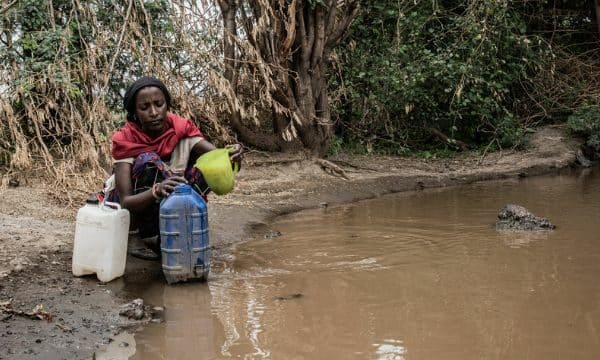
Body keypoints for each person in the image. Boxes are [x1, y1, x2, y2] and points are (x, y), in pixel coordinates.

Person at [105, 76, 242, 258]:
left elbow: (217, 161)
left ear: (167, 105)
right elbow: (126, 201)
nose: (154, 112)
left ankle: (177, 232)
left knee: (203, 170)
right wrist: (156, 190)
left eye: (159, 104)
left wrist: (231, 156)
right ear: (134, 113)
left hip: (168, 210)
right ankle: (135, 238)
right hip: (135, 213)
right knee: (149, 161)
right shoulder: (126, 139)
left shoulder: (181, 129)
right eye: (144, 108)